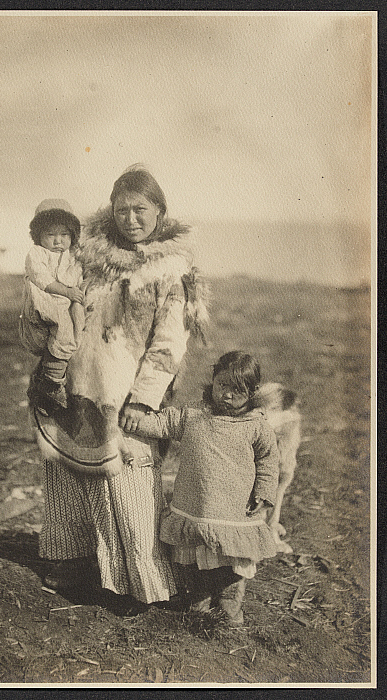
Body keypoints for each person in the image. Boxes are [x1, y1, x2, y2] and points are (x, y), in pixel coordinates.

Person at [35, 166, 210, 612]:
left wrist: (144, 399)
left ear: (160, 212)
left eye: (140, 209)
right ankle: (74, 567)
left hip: (126, 392)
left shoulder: (171, 267)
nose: (131, 219)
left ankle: (136, 584)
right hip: (76, 383)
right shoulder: (89, 256)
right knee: (68, 474)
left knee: (126, 479)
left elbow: (171, 341)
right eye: (122, 210)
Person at [123, 351, 279, 627]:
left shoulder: (256, 425)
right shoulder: (194, 414)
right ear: (213, 381)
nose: (227, 395)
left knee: (231, 561)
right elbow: (163, 423)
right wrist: (134, 420)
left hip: (234, 510)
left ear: (252, 392)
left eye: (237, 390)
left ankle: (230, 602)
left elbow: (268, 459)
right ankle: (200, 597)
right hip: (195, 505)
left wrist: (264, 492)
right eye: (222, 386)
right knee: (195, 557)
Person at [19, 199, 85, 415]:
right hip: (42, 304)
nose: (58, 241)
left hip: (65, 303)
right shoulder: (36, 254)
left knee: (76, 324)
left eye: (64, 235)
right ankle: (51, 384)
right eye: (50, 235)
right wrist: (67, 291)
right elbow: (41, 280)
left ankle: (56, 375)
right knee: (62, 326)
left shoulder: (74, 256)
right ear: (39, 236)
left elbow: (81, 277)